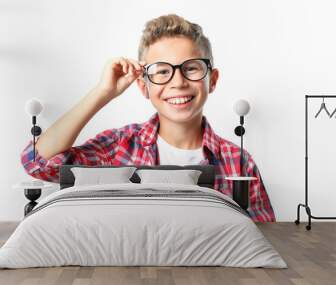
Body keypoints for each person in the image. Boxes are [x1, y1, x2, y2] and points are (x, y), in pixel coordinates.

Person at [20, 14, 276, 222]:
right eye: (162, 71)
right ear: (144, 87)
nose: (178, 82)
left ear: (213, 80)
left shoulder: (239, 162)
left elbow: (262, 235)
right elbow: (37, 163)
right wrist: (102, 93)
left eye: (191, 68)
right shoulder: (118, 146)